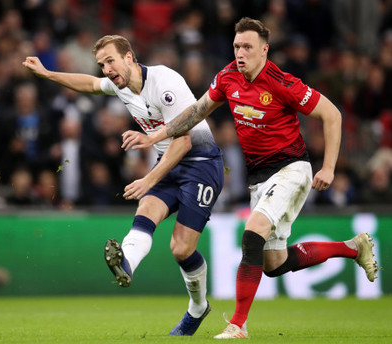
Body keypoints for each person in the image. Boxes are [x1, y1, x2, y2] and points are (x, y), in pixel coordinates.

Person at [122, 18, 381, 339]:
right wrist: (156, 135)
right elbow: (196, 112)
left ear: (264, 50)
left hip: (292, 168)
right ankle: (353, 248)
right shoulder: (228, 77)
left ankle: (238, 325)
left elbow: (332, 115)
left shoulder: (282, 83)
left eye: (247, 47)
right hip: (259, 177)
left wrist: (328, 168)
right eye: (236, 46)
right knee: (275, 263)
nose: (240, 53)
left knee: (253, 231)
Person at [23, 35, 224, 336]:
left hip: (201, 165)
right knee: (145, 211)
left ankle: (198, 308)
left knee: (181, 249)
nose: (106, 69)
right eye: (102, 64)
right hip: (167, 162)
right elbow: (90, 84)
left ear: (129, 57)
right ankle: (126, 262)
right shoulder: (120, 86)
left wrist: (149, 178)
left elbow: (182, 141)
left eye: (110, 61)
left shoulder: (164, 82)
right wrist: (48, 74)